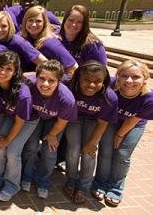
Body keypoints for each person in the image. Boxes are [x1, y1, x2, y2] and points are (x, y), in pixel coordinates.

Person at [92, 60, 153, 207]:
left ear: (145, 78)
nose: (129, 81)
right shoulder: (110, 85)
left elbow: (134, 119)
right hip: (110, 120)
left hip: (133, 124)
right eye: (124, 76)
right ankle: (99, 182)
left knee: (122, 155)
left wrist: (119, 135)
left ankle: (115, 188)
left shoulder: (149, 98)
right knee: (106, 151)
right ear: (117, 76)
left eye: (136, 77)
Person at [0, 51, 38, 202]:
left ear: (15, 71)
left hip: (27, 120)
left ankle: (12, 185)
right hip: (11, 115)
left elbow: (20, 122)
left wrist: (8, 139)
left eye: (9, 69)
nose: (3, 72)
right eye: (0, 67)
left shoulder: (23, 94)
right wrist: (4, 140)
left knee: (13, 151)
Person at [63, 61, 118, 204]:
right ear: (79, 78)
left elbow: (103, 123)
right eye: (86, 80)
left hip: (95, 122)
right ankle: (71, 180)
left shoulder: (109, 97)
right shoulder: (70, 86)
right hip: (74, 118)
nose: (91, 85)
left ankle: (83, 186)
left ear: (104, 81)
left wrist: (93, 142)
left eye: (97, 81)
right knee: (73, 149)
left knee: (89, 152)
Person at [21, 60, 77, 199]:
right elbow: (19, 76)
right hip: (35, 117)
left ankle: (43, 181)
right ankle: (26, 176)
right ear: (36, 76)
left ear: (59, 81)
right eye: (42, 78)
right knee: (31, 147)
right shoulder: (29, 83)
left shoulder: (66, 98)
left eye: (51, 80)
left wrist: (52, 135)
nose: (45, 84)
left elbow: (63, 121)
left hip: (55, 122)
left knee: (50, 151)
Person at [20, 5, 78, 76]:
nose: (34, 24)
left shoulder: (50, 43)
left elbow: (74, 68)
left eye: (38, 21)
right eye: (30, 20)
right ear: (25, 22)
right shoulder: (23, 38)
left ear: (44, 23)